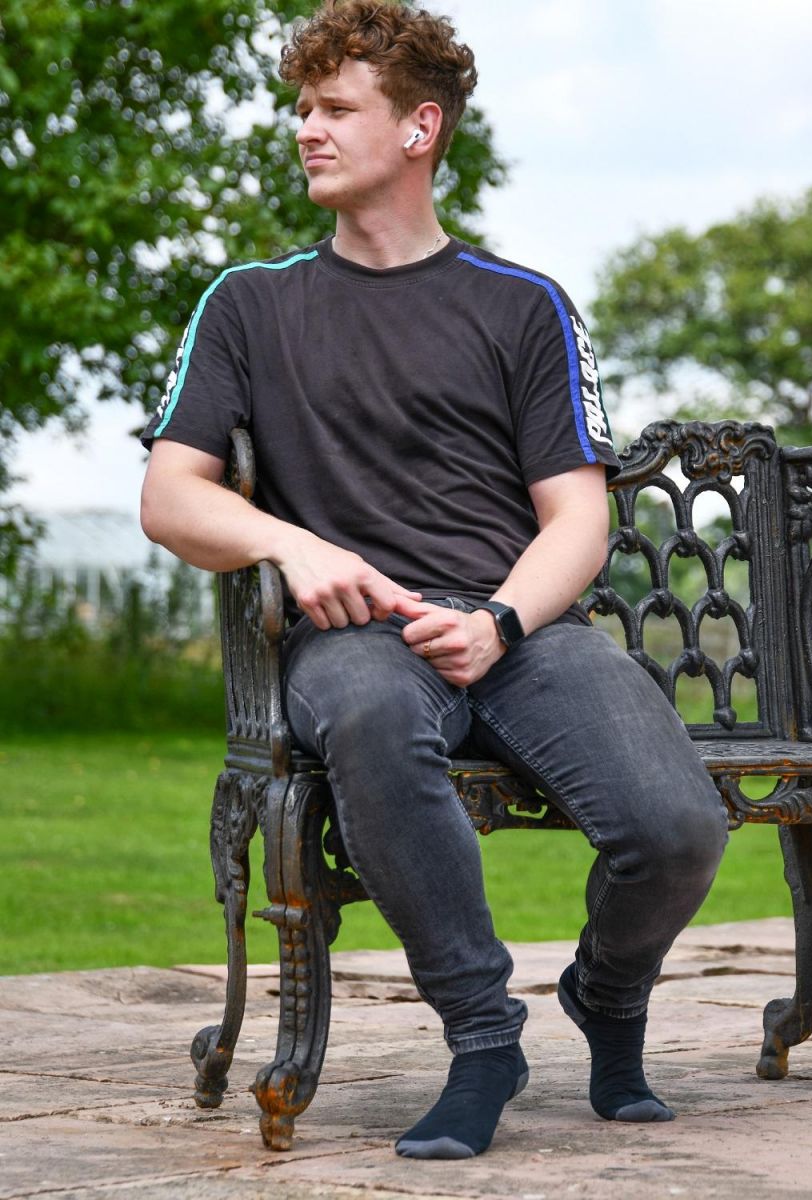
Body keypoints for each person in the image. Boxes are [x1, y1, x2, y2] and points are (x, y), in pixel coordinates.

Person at [140, 0, 727, 1162]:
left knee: (675, 825)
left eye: (335, 108)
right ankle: (482, 1038)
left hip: (514, 628)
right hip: (352, 635)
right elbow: (172, 498)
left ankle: (607, 997)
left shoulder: (523, 306)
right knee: (366, 718)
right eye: (302, 108)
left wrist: (504, 620)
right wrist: (291, 545)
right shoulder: (249, 305)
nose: (307, 129)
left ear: (419, 128)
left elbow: (577, 520)